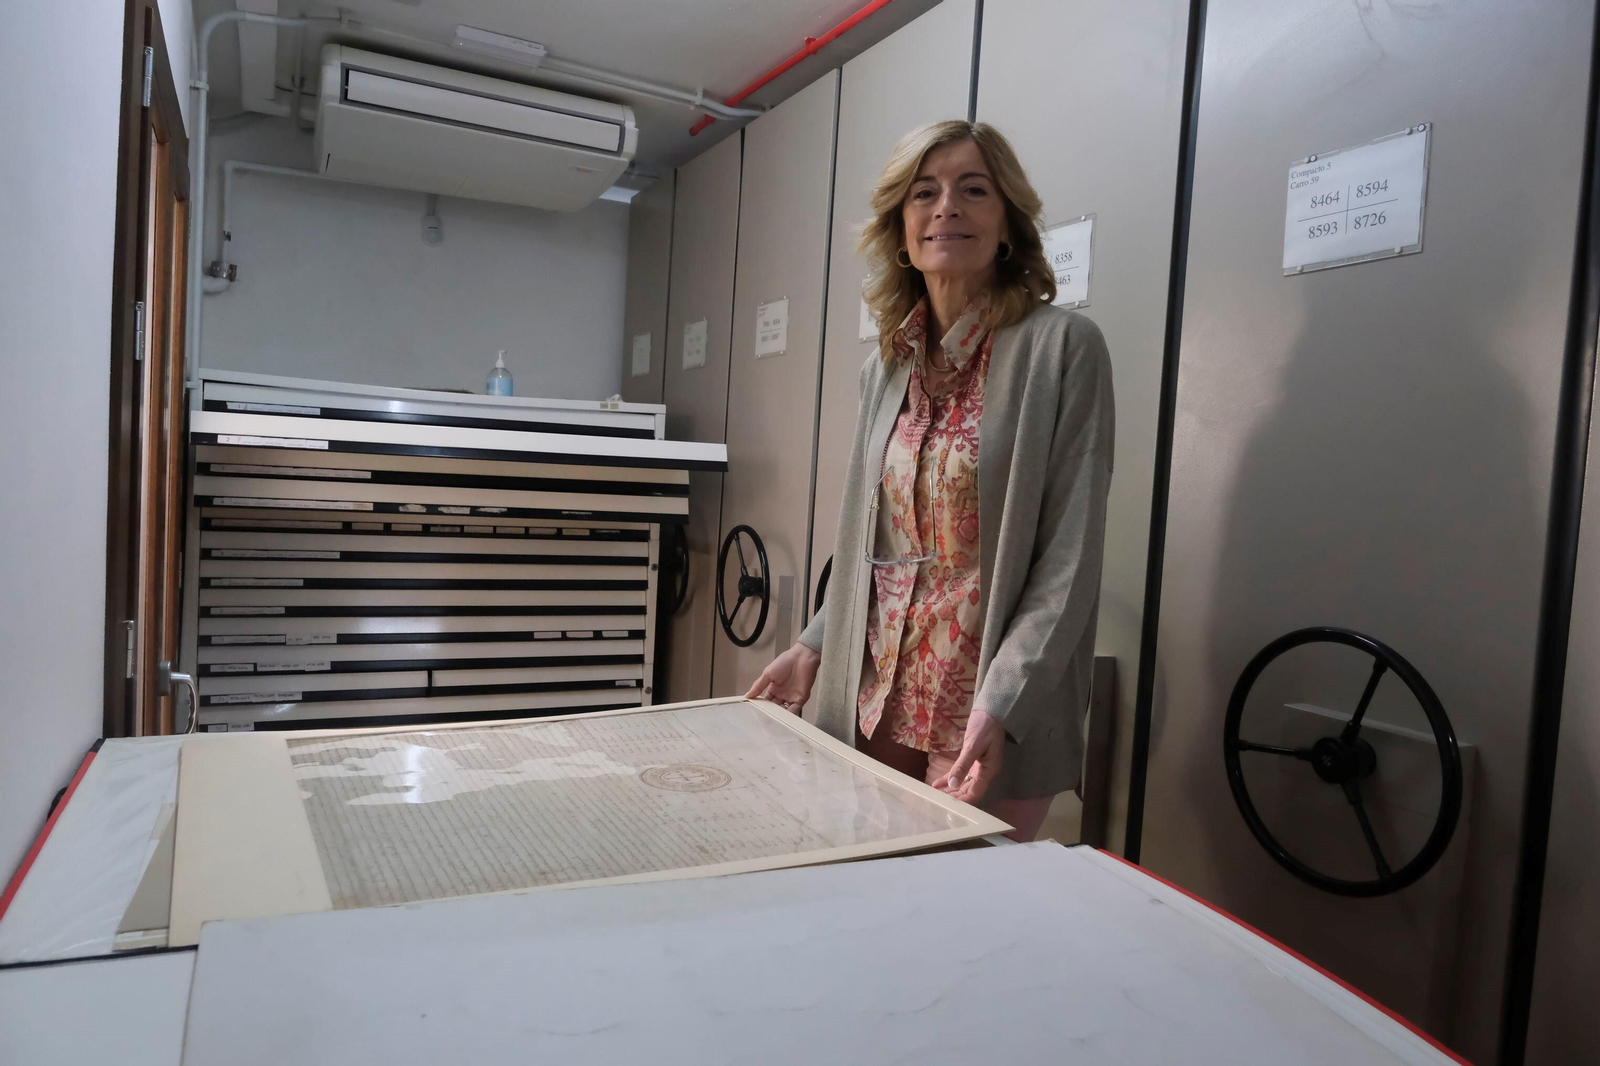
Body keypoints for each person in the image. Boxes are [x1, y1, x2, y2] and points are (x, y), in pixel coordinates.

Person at [745, 120, 1114, 842]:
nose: (947, 207)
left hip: (987, 703)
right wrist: (814, 644)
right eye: (924, 193)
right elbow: (874, 544)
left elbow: (1069, 558)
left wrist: (1005, 702)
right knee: (867, 882)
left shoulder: (1063, 349)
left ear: (1006, 222)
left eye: (973, 190)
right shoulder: (885, 365)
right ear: (901, 229)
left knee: (966, 898)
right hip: (878, 688)